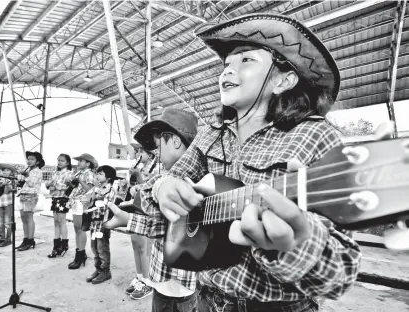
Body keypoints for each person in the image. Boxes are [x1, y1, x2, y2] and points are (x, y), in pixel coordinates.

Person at [137, 13, 362, 312]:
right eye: (227, 63)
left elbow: (340, 274)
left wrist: (299, 246)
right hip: (205, 299)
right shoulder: (210, 135)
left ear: (284, 80)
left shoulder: (315, 136)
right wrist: (164, 187)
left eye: (246, 60)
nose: (227, 70)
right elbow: (156, 190)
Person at [106, 108, 199, 311]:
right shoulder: (163, 179)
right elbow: (159, 227)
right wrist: (127, 220)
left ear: (175, 141)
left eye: (158, 146)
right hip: (161, 281)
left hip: (187, 287)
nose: (156, 153)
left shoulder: (201, 185)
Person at [125, 143, 160, 300]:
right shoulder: (139, 167)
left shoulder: (157, 168)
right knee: (135, 244)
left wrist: (138, 176)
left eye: (141, 151)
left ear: (151, 154)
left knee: (144, 246)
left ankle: (148, 281)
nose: (138, 154)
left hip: (147, 209)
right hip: (135, 206)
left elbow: (149, 186)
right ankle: (139, 278)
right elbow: (134, 186)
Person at [85, 165, 117, 284]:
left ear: (108, 177)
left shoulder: (111, 189)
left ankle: (105, 271)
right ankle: (98, 269)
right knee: (94, 246)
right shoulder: (96, 188)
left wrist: (99, 198)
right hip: (94, 222)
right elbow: (89, 200)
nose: (97, 176)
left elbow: (109, 204)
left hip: (103, 222)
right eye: (97, 174)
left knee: (102, 247)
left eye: (100, 174)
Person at [68, 153, 97, 269]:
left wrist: (79, 180)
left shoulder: (89, 174)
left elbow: (89, 190)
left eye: (81, 161)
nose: (78, 163)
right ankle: (80, 252)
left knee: (80, 229)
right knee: (76, 229)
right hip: (75, 202)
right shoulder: (79, 173)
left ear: (88, 163)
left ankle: (80, 255)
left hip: (82, 203)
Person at [46, 153, 74, 258]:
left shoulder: (69, 174)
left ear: (67, 162)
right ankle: (56, 246)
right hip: (55, 198)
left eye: (62, 160)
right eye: (58, 160)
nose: (59, 162)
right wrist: (51, 186)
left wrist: (56, 186)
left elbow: (68, 187)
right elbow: (51, 187)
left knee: (62, 221)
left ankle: (64, 245)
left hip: (64, 198)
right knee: (56, 222)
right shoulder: (55, 173)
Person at [16, 151, 44, 251]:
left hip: (31, 196)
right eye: (28, 159)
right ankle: (26, 239)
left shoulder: (38, 171)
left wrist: (26, 175)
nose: (29, 161)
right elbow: (22, 182)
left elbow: (32, 183)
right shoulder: (28, 169)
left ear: (37, 162)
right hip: (23, 195)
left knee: (29, 217)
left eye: (32, 159)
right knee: (23, 218)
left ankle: (30, 240)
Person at [0, 164, 17, 247]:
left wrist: (6, 184)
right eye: (4, 170)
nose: (5, 171)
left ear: (12, 172)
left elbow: (6, 191)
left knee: (8, 222)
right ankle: (2, 238)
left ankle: (8, 240)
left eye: (7, 170)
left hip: (8, 202)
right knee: (0, 222)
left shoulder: (13, 180)